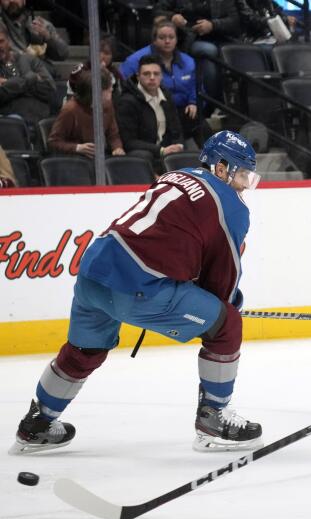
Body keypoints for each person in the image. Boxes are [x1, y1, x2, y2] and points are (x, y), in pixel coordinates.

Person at [10, 130, 264, 455]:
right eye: (242, 174)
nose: (244, 185)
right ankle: (213, 418)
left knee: (83, 350)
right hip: (139, 287)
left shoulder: (176, 175)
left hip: (93, 271)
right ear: (221, 167)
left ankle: (38, 424)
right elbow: (221, 279)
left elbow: (166, 234)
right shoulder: (232, 206)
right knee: (226, 324)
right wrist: (227, 306)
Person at [120, 21, 199, 140]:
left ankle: (219, 156)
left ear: (176, 39)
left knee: (200, 125)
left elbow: (194, 86)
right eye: (162, 37)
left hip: (181, 109)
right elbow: (125, 85)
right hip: (150, 108)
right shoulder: (135, 60)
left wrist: (192, 102)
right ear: (154, 40)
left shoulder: (188, 62)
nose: (167, 41)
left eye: (171, 37)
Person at [116, 54, 184, 170]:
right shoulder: (127, 101)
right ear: (138, 76)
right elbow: (129, 142)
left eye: (156, 74)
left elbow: (176, 130)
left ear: (161, 76)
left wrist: (178, 145)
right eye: (146, 74)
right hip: (144, 154)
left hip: (165, 151)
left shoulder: (166, 96)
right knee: (144, 156)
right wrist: (161, 150)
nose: (152, 77)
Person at [48, 67, 126, 158]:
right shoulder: (70, 110)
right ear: (96, 93)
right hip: (75, 160)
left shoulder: (108, 105)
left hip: (99, 157)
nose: (112, 90)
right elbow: (53, 142)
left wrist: (117, 148)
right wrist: (77, 148)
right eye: (108, 90)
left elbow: (113, 135)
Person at [0, 21, 54, 134]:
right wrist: (32, 78)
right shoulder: (31, 69)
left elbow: (50, 91)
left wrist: (10, 84)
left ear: (8, 42)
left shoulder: (29, 60)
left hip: (40, 119)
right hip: (11, 125)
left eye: (1, 41)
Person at [0, 0, 69, 63]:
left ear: (24, 1)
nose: (12, 1)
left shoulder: (41, 24)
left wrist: (48, 38)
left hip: (42, 72)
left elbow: (63, 54)